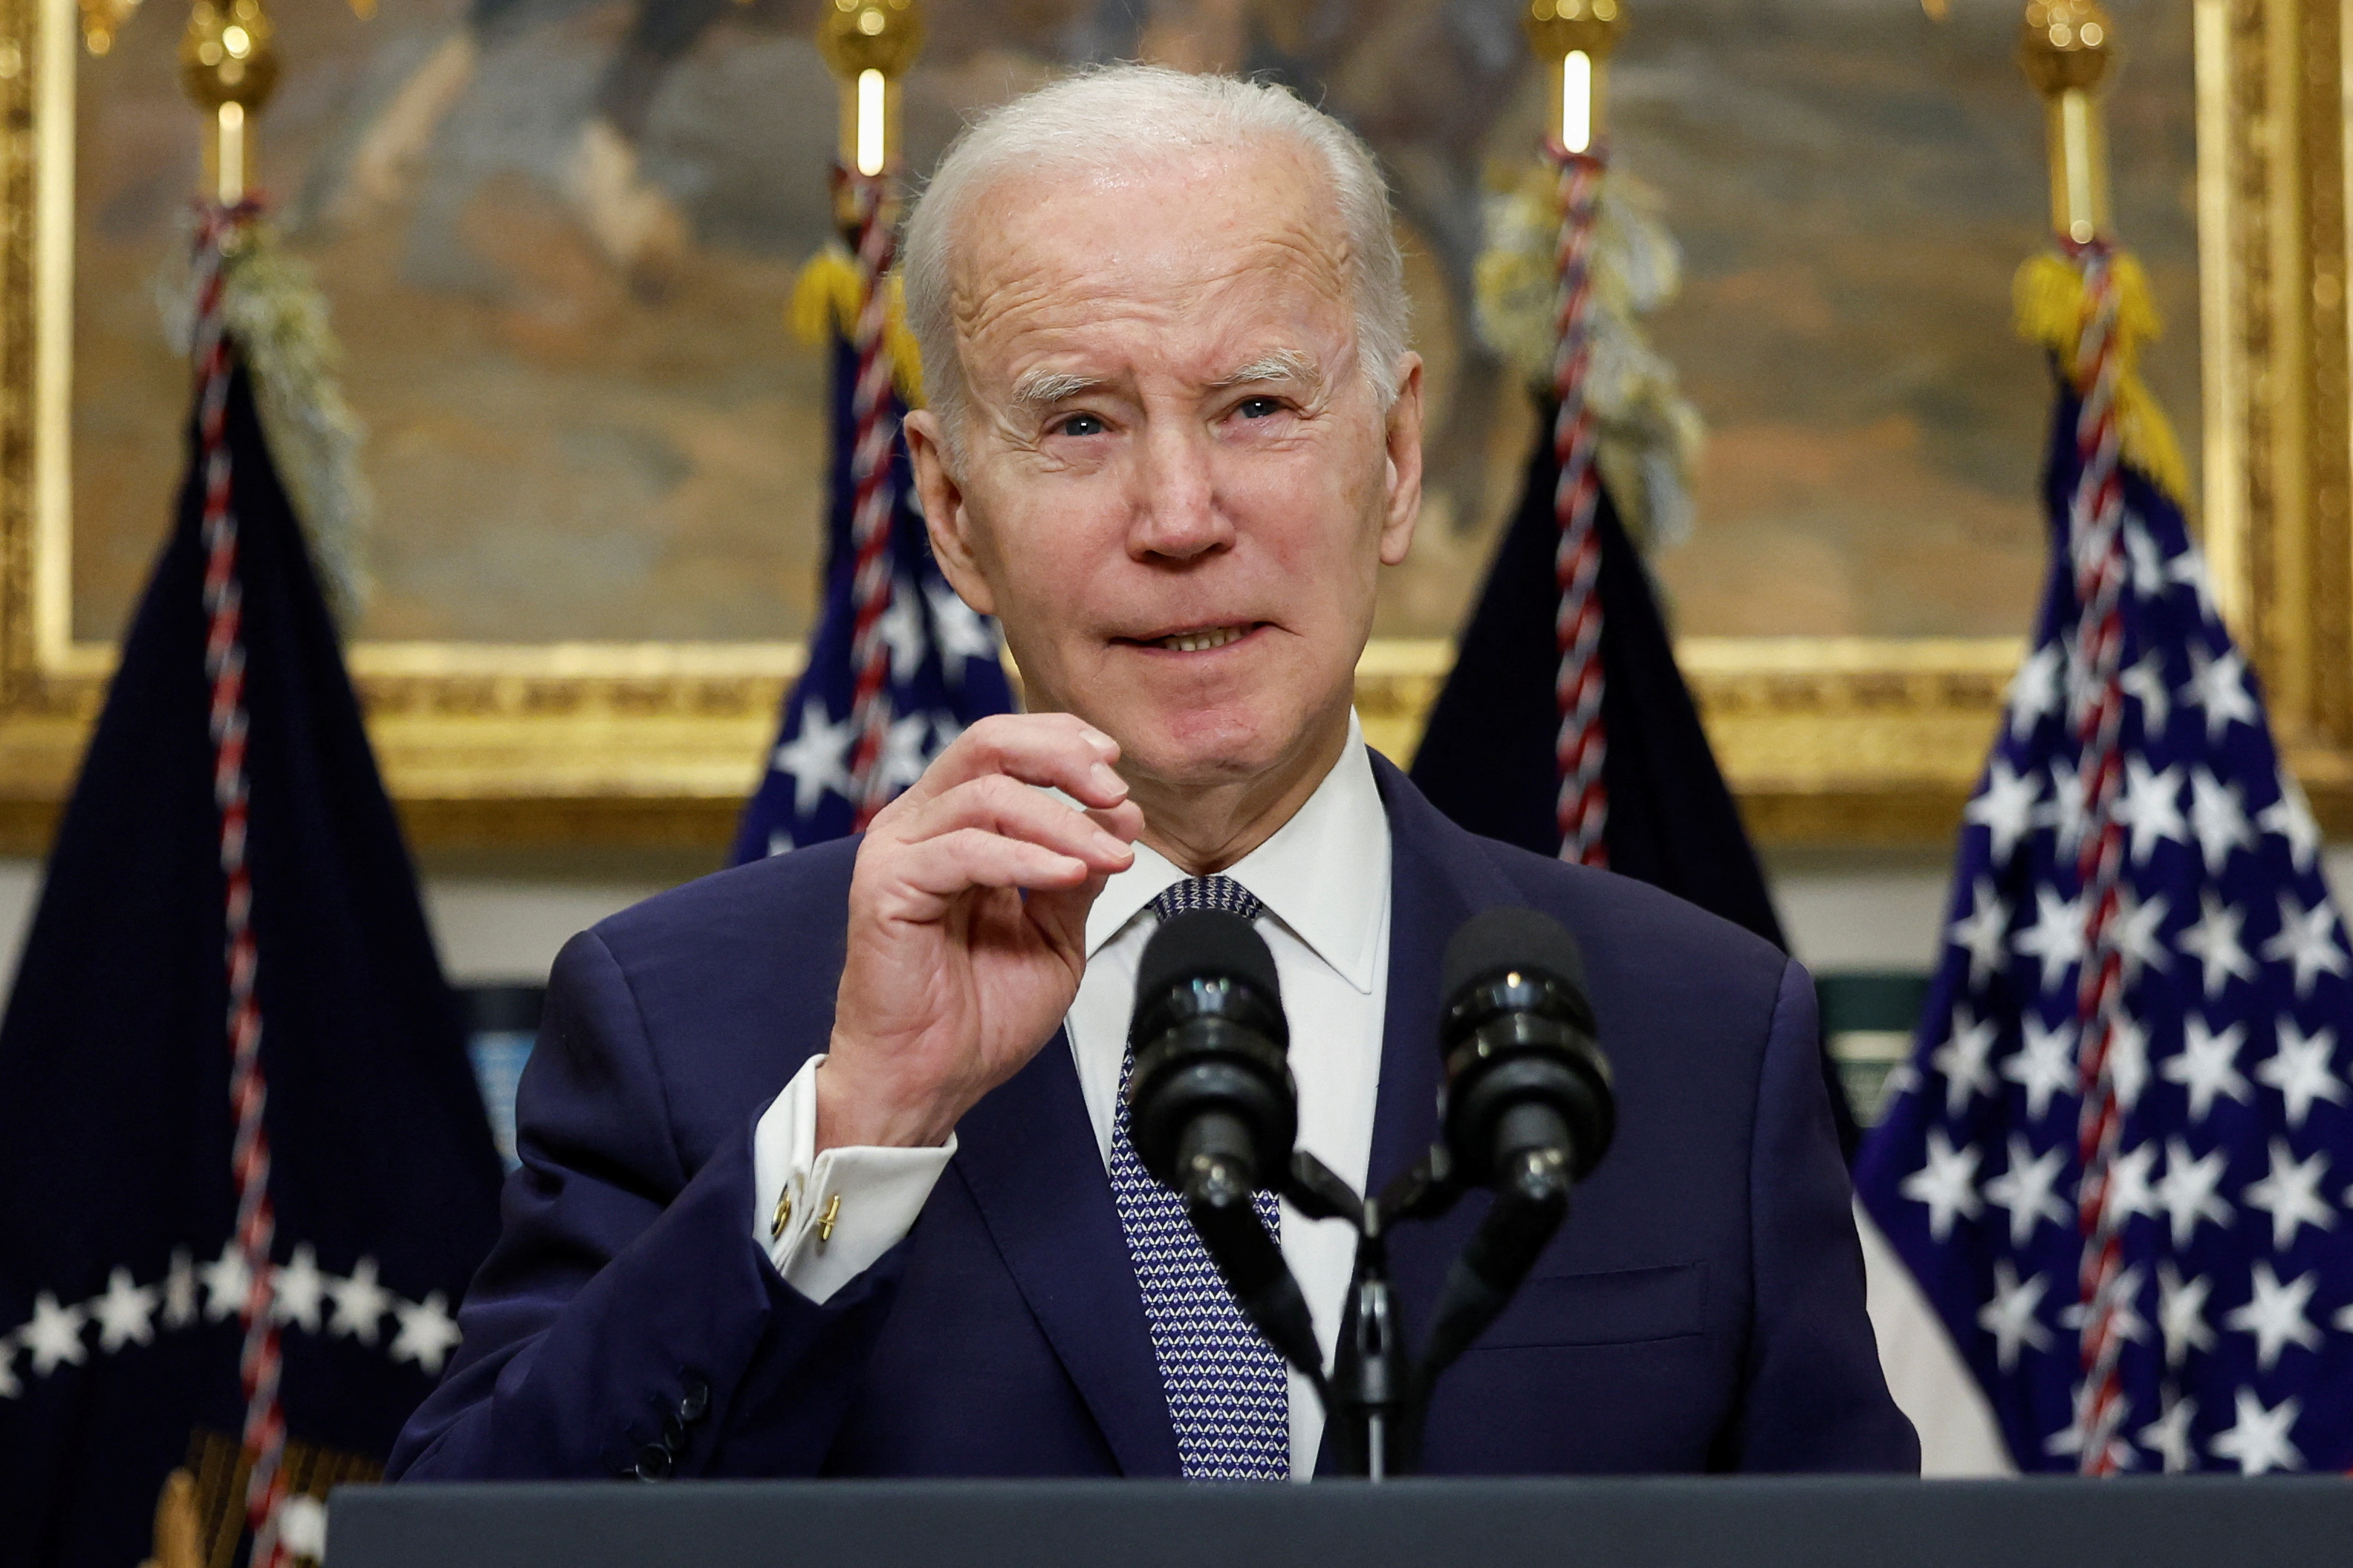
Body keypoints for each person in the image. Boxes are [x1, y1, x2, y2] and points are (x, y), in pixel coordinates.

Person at [389, 65, 1917, 1482]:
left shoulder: (1705, 1036)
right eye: (1078, 423)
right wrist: (862, 1129)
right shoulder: (690, 1028)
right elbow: (471, 1548)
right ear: (951, 511)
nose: (1180, 513)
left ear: (1393, 462)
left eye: (1256, 407)